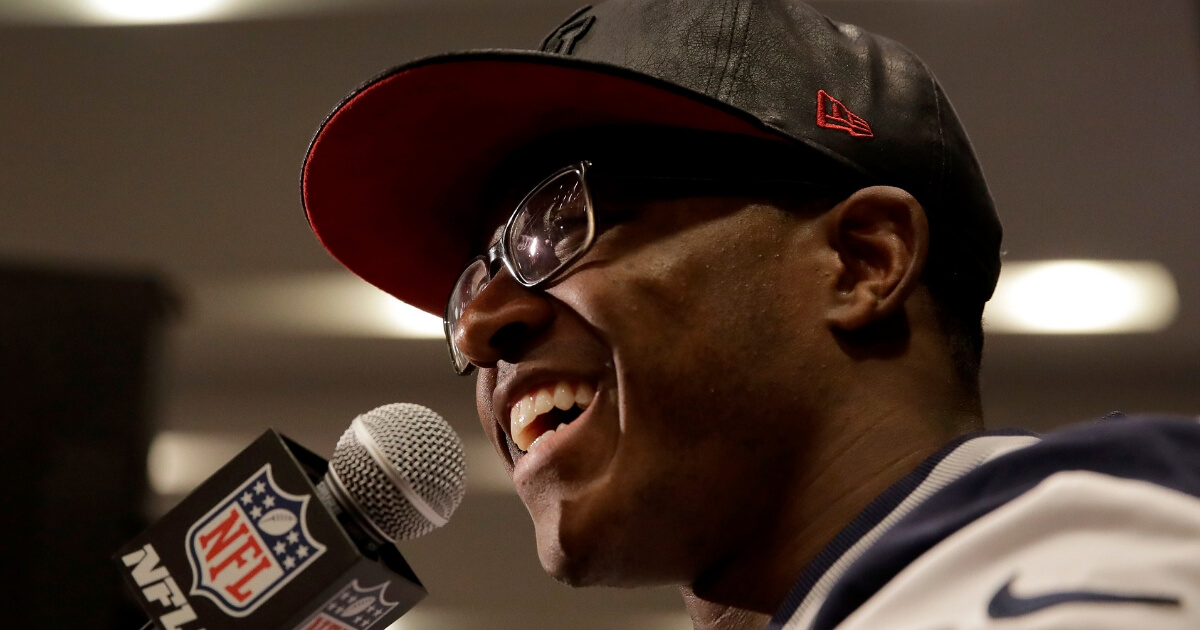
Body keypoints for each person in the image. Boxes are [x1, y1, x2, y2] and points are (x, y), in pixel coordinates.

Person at [300, 0, 1200, 628]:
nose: (477, 324)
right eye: (473, 277)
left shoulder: (1111, 544)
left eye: (560, 223)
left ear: (861, 261)